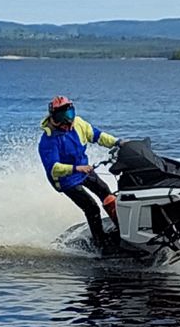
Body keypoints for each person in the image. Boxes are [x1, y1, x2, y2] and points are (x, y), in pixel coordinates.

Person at [38, 96, 121, 249]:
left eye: (69, 115)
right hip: (65, 180)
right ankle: (100, 244)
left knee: (106, 193)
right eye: (62, 117)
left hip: (83, 170)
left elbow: (97, 136)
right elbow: (53, 168)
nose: (67, 122)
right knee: (91, 207)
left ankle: (122, 228)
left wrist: (118, 142)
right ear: (53, 117)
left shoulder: (79, 124)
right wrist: (75, 169)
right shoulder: (47, 141)